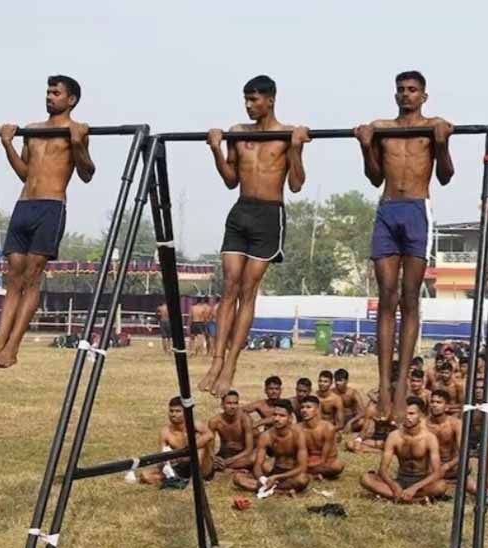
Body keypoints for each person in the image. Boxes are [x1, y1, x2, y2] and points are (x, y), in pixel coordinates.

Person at [199, 75, 310, 395]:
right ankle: (216, 361)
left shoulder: (287, 134)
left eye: (254, 100)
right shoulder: (237, 133)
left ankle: (231, 365)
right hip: (241, 212)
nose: (248, 105)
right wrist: (216, 150)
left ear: (270, 100)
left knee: (248, 290)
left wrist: (296, 148)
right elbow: (230, 180)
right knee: (229, 287)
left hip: (269, 215)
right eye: (246, 99)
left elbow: (296, 185)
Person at [354, 71, 454, 421]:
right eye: (401, 90)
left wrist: (442, 143)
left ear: (424, 96)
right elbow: (374, 177)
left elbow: (445, 176)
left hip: (416, 210)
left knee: (410, 297)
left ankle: (400, 390)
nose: (406, 95)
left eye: (412, 90)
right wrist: (366, 145)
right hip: (387, 208)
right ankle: (384, 385)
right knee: (387, 296)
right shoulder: (382, 128)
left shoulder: (433, 126)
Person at [0, 75, 94, 368]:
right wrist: (7, 145)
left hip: (51, 207)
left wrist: (77, 144)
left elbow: (87, 174)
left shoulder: (77, 130)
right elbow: (25, 173)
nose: (49, 96)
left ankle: (12, 349)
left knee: (31, 278)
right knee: (13, 278)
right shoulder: (32, 130)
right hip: (23, 206)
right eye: (48, 92)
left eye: (56, 93)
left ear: (71, 100)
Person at [359, 396, 448, 503]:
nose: (407, 417)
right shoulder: (394, 436)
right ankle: (416, 500)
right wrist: (394, 486)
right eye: (404, 413)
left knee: (441, 486)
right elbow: (382, 470)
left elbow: (437, 472)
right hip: (401, 480)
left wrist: (414, 488)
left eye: (411, 414)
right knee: (366, 478)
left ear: (421, 415)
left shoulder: (429, 438)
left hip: (421, 482)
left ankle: (396, 497)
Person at [233, 399, 310, 494]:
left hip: (291, 474)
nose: (277, 419)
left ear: (290, 418)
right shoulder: (266, 436)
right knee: (237, 478)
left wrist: (277, 477)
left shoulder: (298, 434)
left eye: (282, 416)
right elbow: (258, 465)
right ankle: (280, 491)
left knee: (303, 480)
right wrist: (261, 479)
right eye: (275, 415)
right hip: (274, 470)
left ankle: (270, 488)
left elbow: (302, 467)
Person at [140, 397, 215, 484]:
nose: (173, 414)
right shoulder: (165, 432)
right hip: (179, 467)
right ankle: (178, 479)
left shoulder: (195, 425)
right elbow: (162, 457)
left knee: (200, 440)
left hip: (202, 466)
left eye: (178, 411)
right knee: (145, 475)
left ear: (186, 413)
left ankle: (194, 481)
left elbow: (210, 435)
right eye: (171, 411)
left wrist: (189, 448)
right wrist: (169, 460)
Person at [208, 391, 255, 473]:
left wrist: (231, 460)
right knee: (206, 460)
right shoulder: (214, 421)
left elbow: (249, 449)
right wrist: (214, 458)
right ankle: (229, 467)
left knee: (253, 459)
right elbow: (209, 447)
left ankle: (225, 467)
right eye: (229, 403)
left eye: (235, 403)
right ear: (222, 405)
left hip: (242, 454)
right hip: (225, 454)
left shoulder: (245, 419)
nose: (232, 407)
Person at [298, 396, 344, 480]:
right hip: (307, 459)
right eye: (302, 407)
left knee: (337, 466)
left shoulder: (328, 428)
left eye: (308, 407)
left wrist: (308, 466)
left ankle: (306, 473)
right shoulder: (297, 428)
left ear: (317, 410)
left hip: (325, 460)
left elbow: (323, 459)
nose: (304, 410)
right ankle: (311, 474)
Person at [426, 390, 462, 480]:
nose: (434, 405)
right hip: (429, 470)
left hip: (451, 468)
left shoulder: (455, 424)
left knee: (472, 484)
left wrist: (447, 466)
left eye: (439, 402)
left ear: (446, 407)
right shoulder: (423, 424)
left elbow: (463, 451)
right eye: (432, 402)